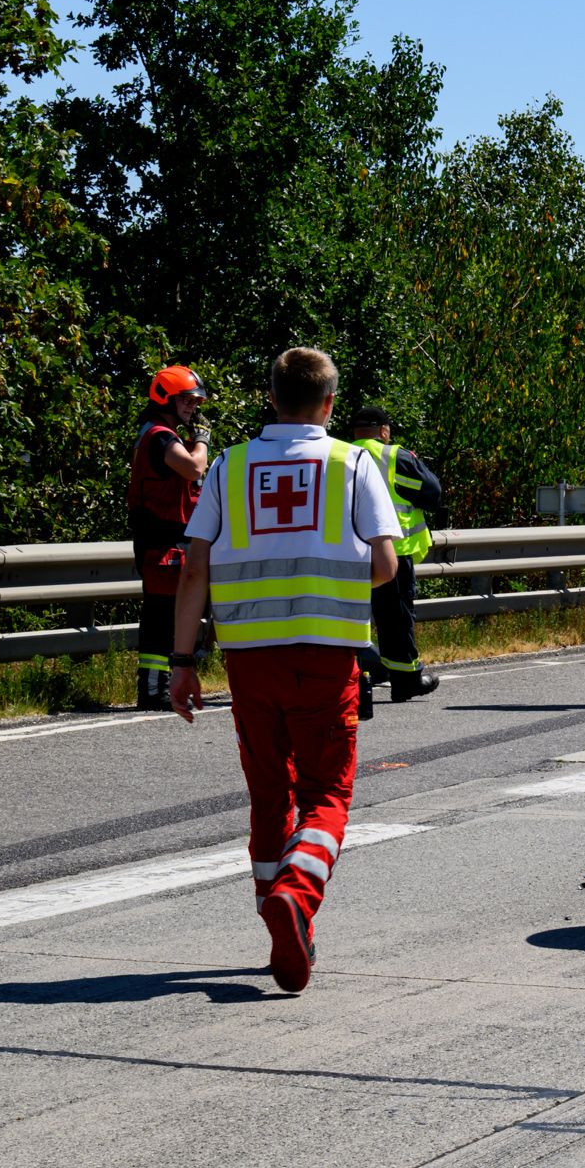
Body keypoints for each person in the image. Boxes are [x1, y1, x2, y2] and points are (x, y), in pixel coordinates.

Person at [166, 347, 400, 994]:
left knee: (269, 796)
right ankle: (296, 896)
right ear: (329, 404)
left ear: (271, 399)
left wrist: (184, 663)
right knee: (325, 796)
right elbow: (385, 567)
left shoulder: (230, 468)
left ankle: (279, 919)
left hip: (249, 663)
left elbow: (194, 569)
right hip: (326, 658)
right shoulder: (351, 462)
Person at [345, 406, 449, 716]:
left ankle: (369, 668)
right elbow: (432, 492)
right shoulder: (394, 457)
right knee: (397, 616)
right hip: (393, 549)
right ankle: (406, 679)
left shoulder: (338, 455)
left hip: (347, 550)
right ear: (384, 430)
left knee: (352, 616)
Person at [129, 366, 211, 710]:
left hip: (172, 540)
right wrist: (203, 440)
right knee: (161, 617)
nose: (193, 407)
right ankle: (152, 689)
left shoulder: (162, 432)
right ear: (165, 397)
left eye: (195, 401)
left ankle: (160, 686)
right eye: (187, 400)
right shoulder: (160, 436)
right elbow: (194, 468)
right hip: (161, 540)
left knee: (171, 616)